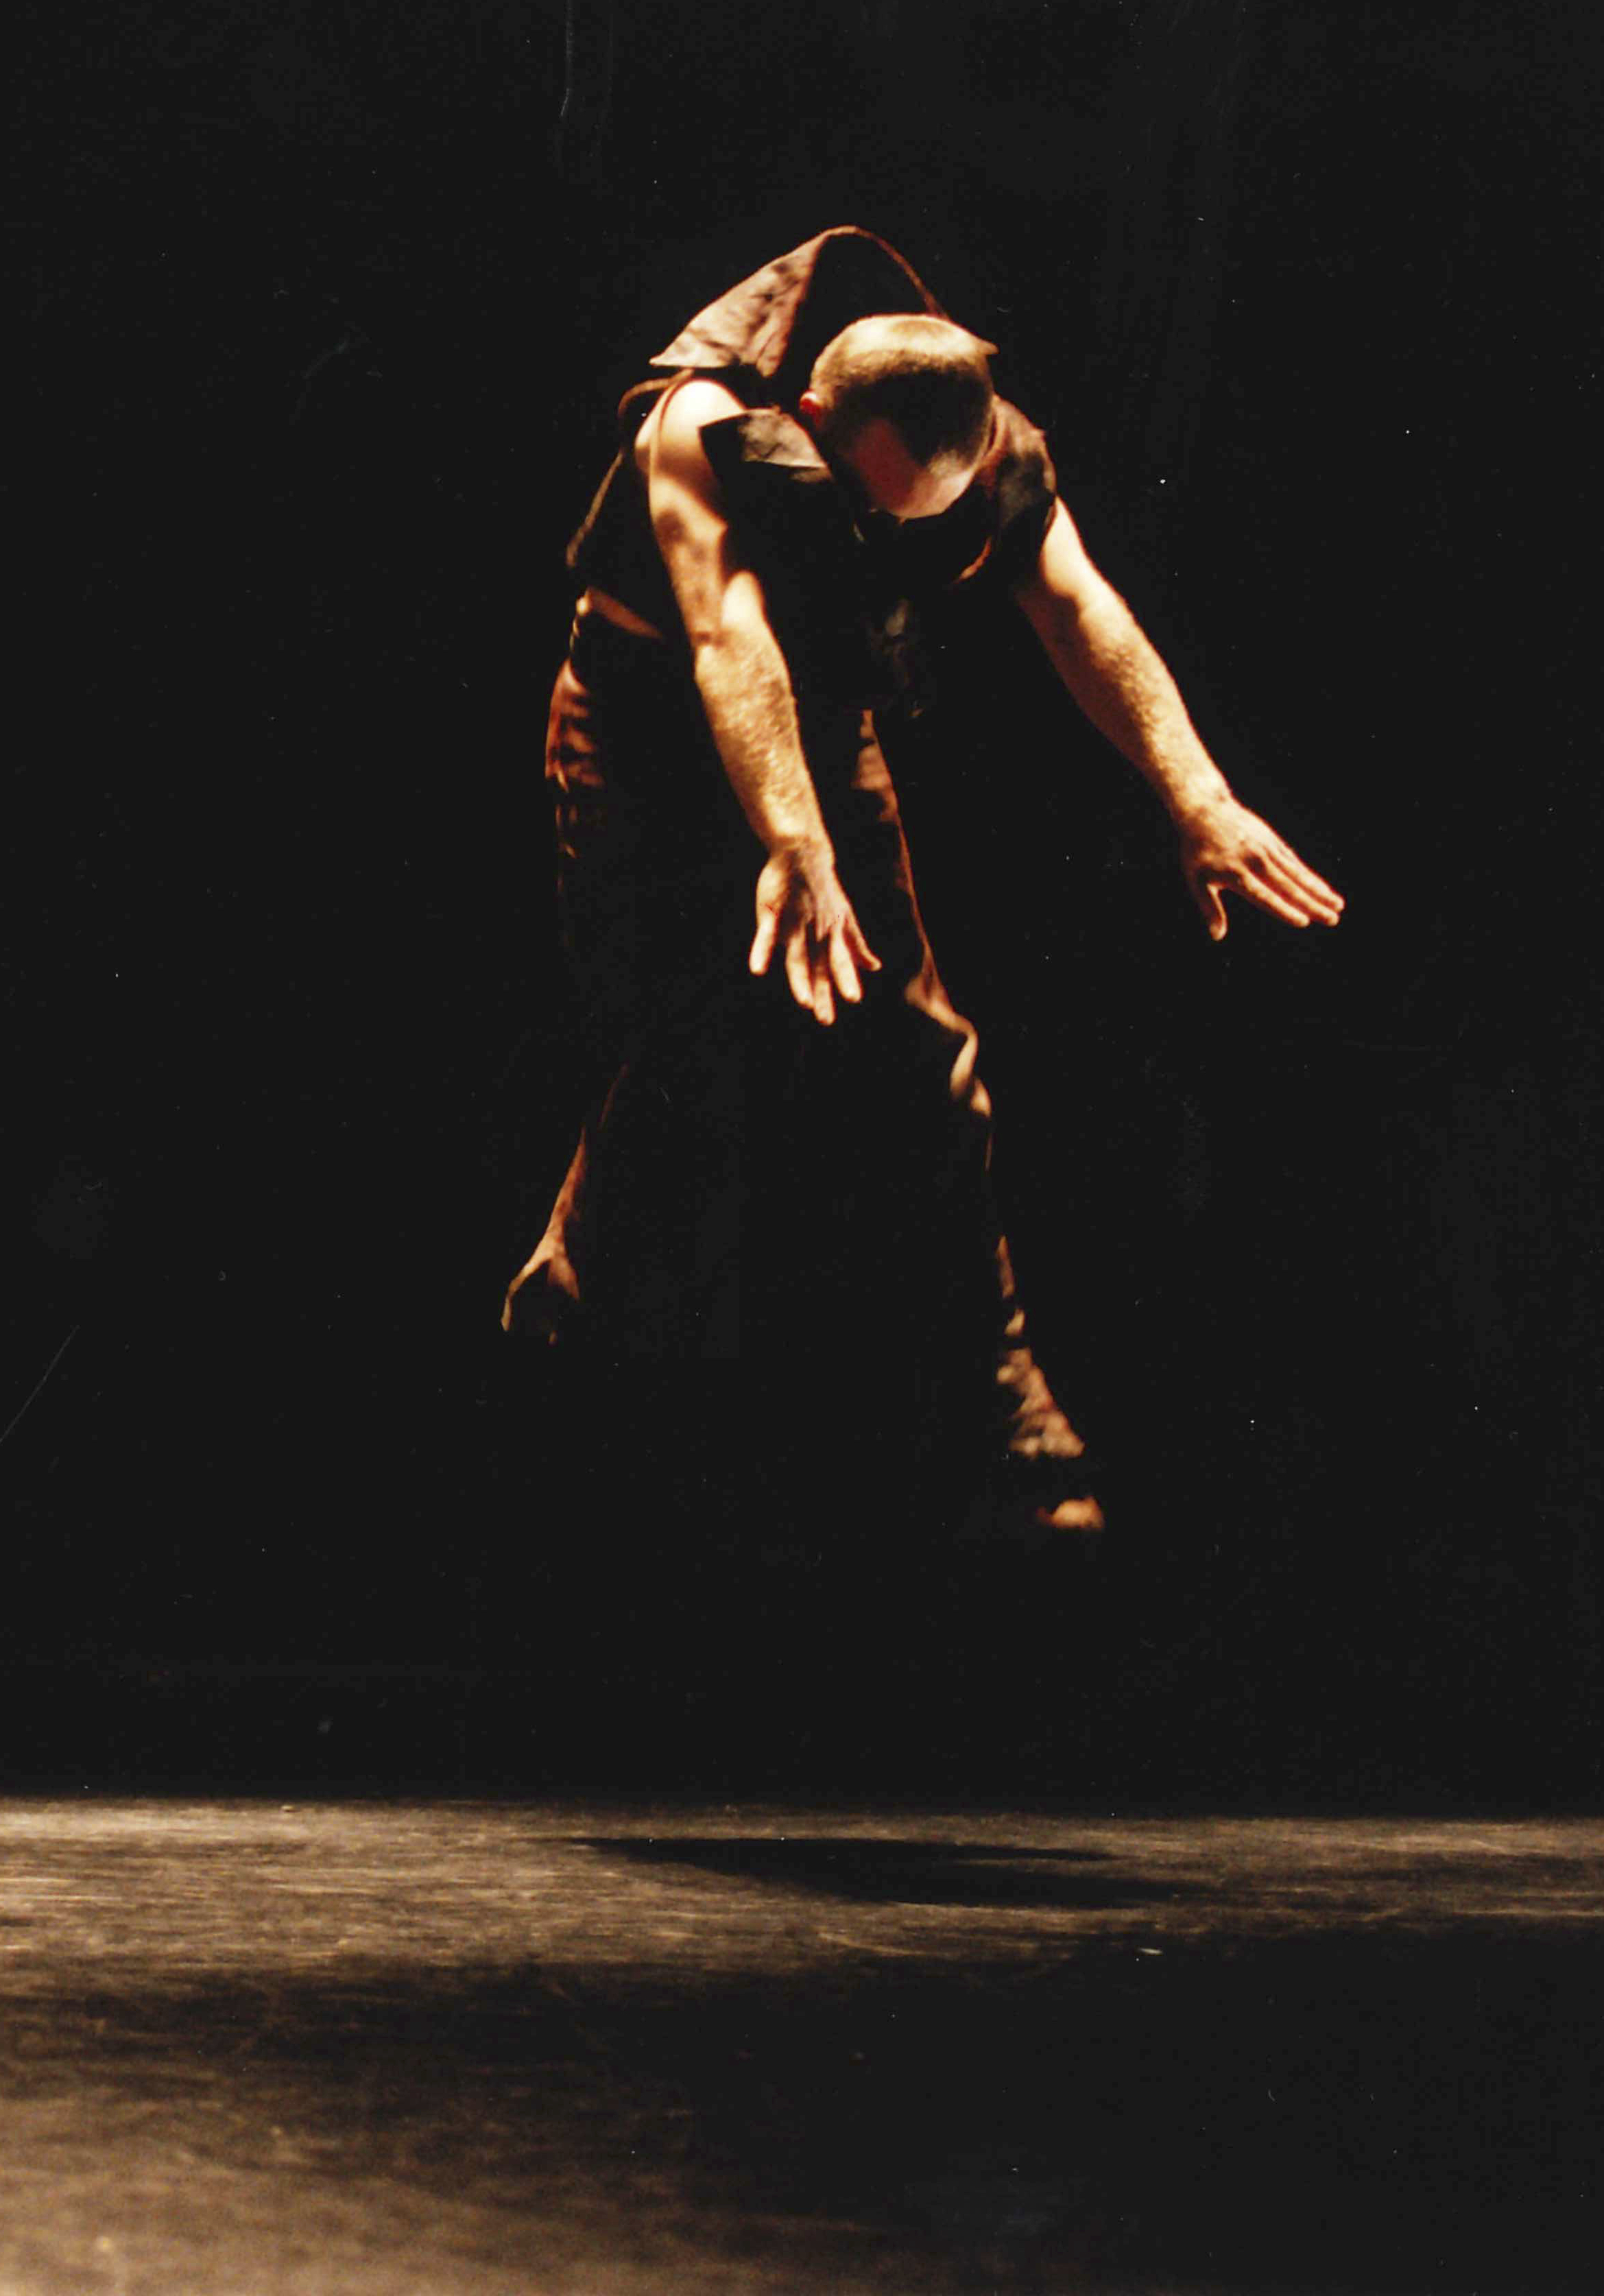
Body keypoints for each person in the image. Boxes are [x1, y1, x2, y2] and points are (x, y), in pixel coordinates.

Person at [504, 228, 1342, 1538]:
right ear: (813, 420)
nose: (881, 534)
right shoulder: (699, 426)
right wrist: (793, 843)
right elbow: (727, 634)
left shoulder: (986, 441)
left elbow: (1077, 607)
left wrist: (1195, 792)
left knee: (921, 1051)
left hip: (815, 720)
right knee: (677, 1030)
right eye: (868, 501)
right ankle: (578, 1332)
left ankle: (1008, 1405)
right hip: (644, 721)